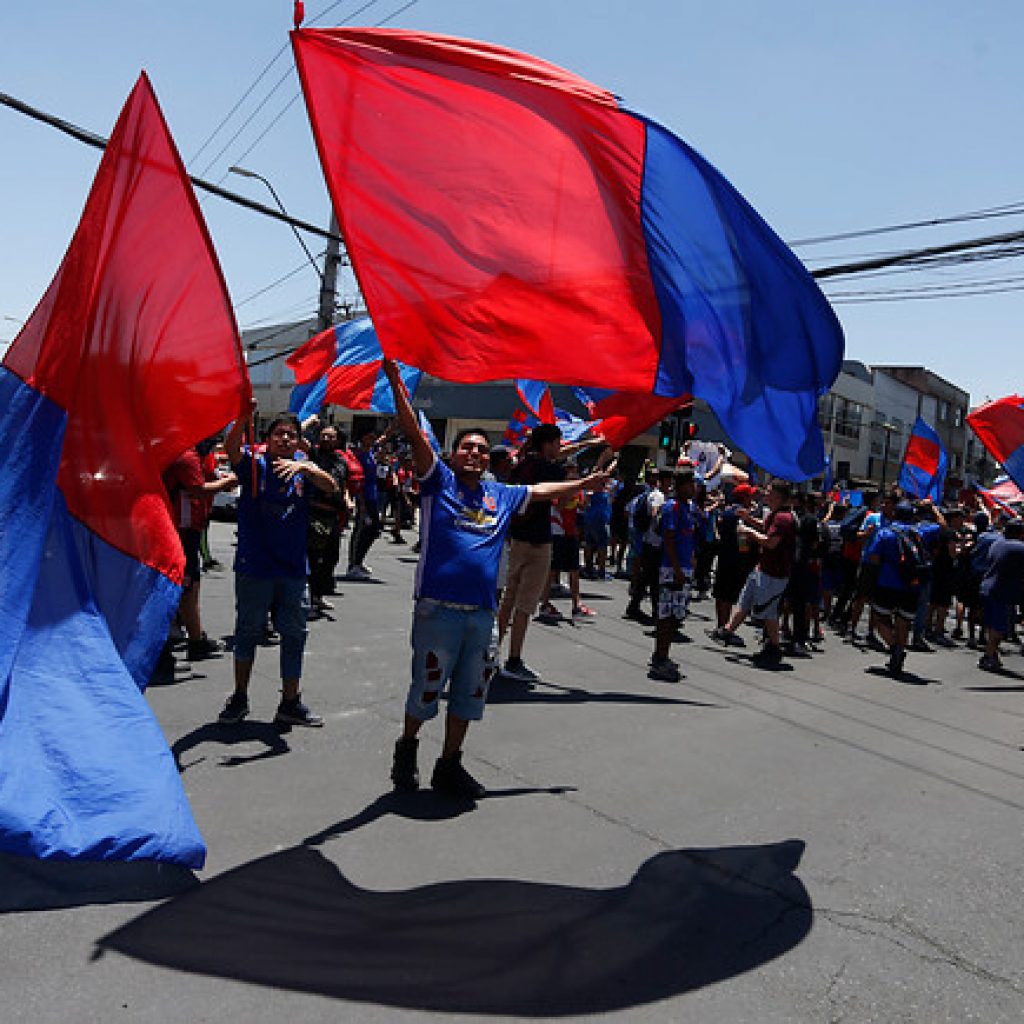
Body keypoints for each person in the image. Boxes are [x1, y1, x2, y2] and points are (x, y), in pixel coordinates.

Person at [382, 361, 611, 797]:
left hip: (483, 616)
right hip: (438, 612)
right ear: (452, 455)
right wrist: (397, 385)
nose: (474, 453)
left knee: (470, 694)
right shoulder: (438, 482)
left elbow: (541, 492)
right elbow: (414, 433)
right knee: (426, 690)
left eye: (482, 449)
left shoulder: (500, 494)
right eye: (467, 447)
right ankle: (407, 748)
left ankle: (449, 764)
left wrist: (586, 482)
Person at [218, 408, 339, 727]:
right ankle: (239, 696)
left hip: (293, 570)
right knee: (247, 632)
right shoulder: (254, 466)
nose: (285, 439)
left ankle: (290, 701)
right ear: (268, 439)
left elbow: (331, 487)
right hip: (255, 567)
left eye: (291, 434)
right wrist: (242, 417)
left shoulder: (303, 469)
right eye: (279, 433)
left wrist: (305, 467)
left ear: (299, 441)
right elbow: (231, 448)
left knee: (295, 635)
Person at [496, 424, 567, 681]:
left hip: (517, 539)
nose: (559, 448)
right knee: (525, 605)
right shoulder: (550, 470)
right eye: (557, 443)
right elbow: (568, 492)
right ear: (547, 444)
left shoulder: (521, 465)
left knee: (507, 600)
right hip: (538, 543)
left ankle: (490, 653)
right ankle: (514, 660)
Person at [708, 479, 797, 667]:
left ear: (778, 496)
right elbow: (765, 526)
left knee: (768, 611)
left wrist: (749, 532)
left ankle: (774, 647)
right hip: (762, 568)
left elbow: (771, 542)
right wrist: (748, 519)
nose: (765, 493)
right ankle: (727, 630)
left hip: (774, 573)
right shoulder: (775, 515)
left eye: (769, 491)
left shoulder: (783, 518)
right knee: (745, 600)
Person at [865, 501, 925, 676]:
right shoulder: (918, 534)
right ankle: (899, 650)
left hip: (887, 582)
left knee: (879, 616)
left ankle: (894, 648)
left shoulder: (885, 533)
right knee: (904, 621)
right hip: (912, 584)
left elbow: (874, 557)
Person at [649, 465, 696, 682]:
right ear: (681, 486)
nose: (694, 488)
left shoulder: (687, 507)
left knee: (675, 616)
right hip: (672, 570)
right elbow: (668, 539)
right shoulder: (672, 507)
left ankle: (663, 655)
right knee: (666, 616)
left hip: (683, 568)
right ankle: (660, 658)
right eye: (691, 484)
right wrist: (677, 569)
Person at [307, 425, 350, 615]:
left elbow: (343, 485)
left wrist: (348, 501)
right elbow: (300, 438)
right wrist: (310, 420)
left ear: (338, 440)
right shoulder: (314, 455)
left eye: (331, 436)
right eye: (323, 435)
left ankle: (318, 595)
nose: (326, 439)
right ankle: (308, 599)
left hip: (333, 516)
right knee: (314, 558)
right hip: (315, 513)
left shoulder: (341, 461)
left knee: (331, 557)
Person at [978, 519, 1024, 672]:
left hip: (987, 587)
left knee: (992, 625)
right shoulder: (1018, 547)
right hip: (1001, 591)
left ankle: (992, 653)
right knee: (998, 628)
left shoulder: (997, 543)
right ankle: (988, 656)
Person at [712, 482, 758, 629]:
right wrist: (747, 551)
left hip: (724, 555)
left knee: (720, 593)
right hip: (735, 559)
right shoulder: (740, 514)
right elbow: (742, 538)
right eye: (750, 496)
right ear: (744, 497)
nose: (752, 499)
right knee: (728, 595)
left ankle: (720, 624)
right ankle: (724, 626)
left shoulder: (726, 511)